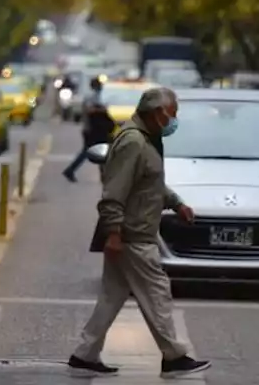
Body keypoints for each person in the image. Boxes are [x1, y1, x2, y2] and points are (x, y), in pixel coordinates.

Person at [67, 87, 211, 379]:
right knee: (157, 292)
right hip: (133, 235)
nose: (175, 119)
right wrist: (114, 233)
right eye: (173, 113)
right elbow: (113, 192)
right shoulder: (133, 141)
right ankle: (174, 356)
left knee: (112, 296)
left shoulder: (147, 139)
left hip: (133, 231)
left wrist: (177, 204)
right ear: (158, 112)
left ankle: (85, 354)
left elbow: (150, 183)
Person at [63, 77, 111, 183]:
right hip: (93, 130)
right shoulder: (94, 98)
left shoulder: (96, 97)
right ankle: (70, 170)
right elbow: (90, 111)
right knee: (95, 152)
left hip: (95, 129)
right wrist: (101, 109)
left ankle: (103, 175)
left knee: (98, 152)